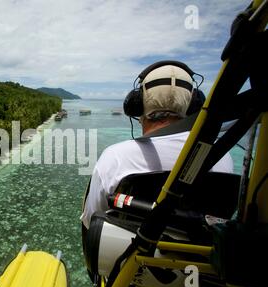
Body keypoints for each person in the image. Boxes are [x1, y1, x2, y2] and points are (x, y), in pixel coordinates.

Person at [80, 61, 234, 229]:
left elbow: (91, 221)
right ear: (193, 104)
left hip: (131, 254)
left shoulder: (116, 158)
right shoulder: (221, 156)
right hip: (201, 253)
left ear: (137, 104)